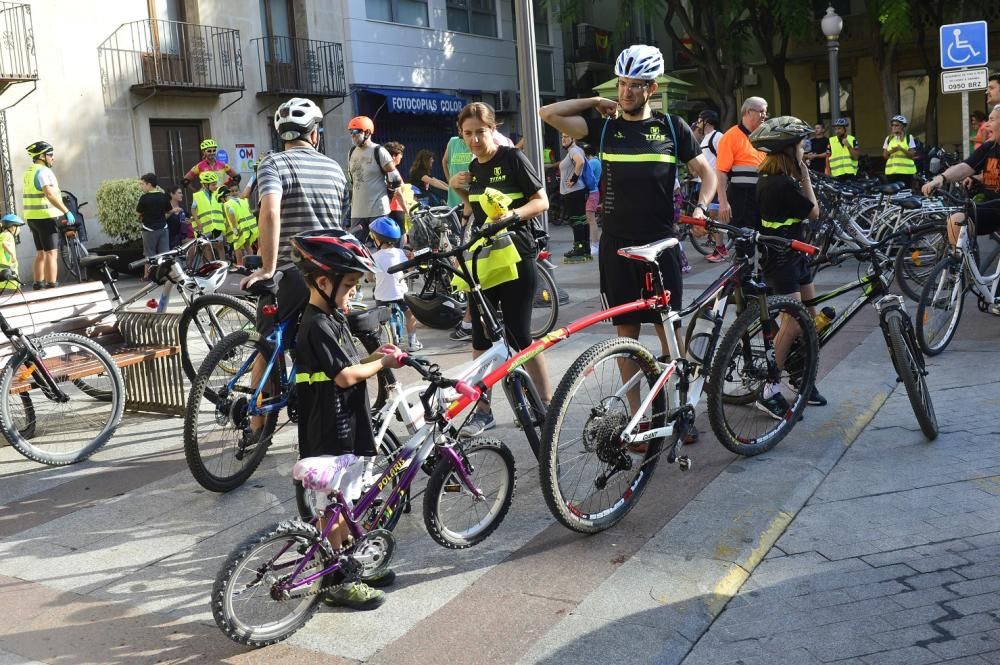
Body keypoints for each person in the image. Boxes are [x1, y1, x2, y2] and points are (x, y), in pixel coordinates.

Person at [539, 44, 717, 440]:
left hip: (662, 244)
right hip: (617, 247)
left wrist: (703, 208)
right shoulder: (605, 127)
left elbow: (707, 174)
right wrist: (594, 100)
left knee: (670, 332)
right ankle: (639, 416)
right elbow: (548, 114)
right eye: (622, 84)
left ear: (651, 88)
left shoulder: (673, 128)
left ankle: (681, 408)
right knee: (626, 336)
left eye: (635, 85)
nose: (626, 92)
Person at [289, 228, 404, 610]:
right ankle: (337, 579)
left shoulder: (332, 317)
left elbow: (351, 365)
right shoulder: (316, 325)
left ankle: (348, 563)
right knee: (333, 510)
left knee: (344, 505)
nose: (354, 291)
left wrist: (375, 357)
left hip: (343, 423)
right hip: (328, 429)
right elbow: (344, 376)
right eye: (350, 284)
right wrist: (381, 364)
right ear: (323, 281)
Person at [241, 97, 352, 437]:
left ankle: (256, 426)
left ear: (281, 136)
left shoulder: (273, 163)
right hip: (328, 275)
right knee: (325, 341)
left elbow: (269, 211)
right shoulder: (335, 169)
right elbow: (341, 225)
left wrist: (268, 267)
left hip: (291, 272)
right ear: (315, 134)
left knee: (267, 344)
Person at [448, 101, 554, 436]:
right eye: (468, 134)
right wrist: (457, 188)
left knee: (520, 336)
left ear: (493, 129)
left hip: (517, 256)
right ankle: (483, 410)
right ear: (461, 135)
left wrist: (512, 216)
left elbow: (541, 201)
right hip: (485, 261)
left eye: (481, 131)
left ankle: (547, 405)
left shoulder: (511, 158)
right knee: (480, 338)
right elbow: (473, 213)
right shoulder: (472, 169)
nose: (475, 139)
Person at [750, 116, 827, 416]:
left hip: (796, 255)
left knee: (811, 318)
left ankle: (800, 377)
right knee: (793, 323)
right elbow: (814, 212)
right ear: (788, 150)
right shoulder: (781, 183)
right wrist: (806, 176)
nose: (804, 151)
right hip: (782, 260)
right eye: (800, 146)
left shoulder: (774, 178)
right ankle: (769, 388)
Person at [922, 104, 1000, 258]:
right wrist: (941, 178)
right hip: (993, 209)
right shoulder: (990, 147)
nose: (986, 126)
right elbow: (965, 166)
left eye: (992, 120)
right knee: (956, 221)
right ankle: (963, 271)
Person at [22, 141, 72, 290]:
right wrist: (66, 211)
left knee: (40, 253)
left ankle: (38, 284)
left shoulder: (29, 171)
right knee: (51, 253)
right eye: (50, 154)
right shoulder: (43, 171)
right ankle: (52, 286)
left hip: (32, 218)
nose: (53, 158)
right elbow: (49, 194)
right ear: (42, 156)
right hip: (46, 216)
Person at [369, 216, 422, 351]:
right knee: (411, 315)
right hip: (400, 294)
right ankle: (412, 342)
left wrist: (372, 278)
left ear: (377, 239)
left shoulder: (373, 257)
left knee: (380, 320)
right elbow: (410, 269)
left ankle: (383, 341)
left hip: (382, 296)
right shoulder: (400, 253)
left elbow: (370, 277)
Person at [717, 97, 767, 233]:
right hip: (742, 198)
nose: (765, 116)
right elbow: (721, 172)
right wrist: (723, 203)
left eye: (765, 112)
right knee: (744, 243)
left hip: (762, 196)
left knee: (766, 243)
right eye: (761, 112)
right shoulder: (731, 136)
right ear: (749, 112)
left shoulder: (763, 136)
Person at [347, 116, 401, 239]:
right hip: (357, 210)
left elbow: (395, 178)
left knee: (383, 244)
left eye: (356, 132)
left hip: (378, 210)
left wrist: (390, 194)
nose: (352, 136)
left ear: (367, 132)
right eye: (351, 132)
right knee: (355, 248)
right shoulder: (351, 152)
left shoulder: (378, 151)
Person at [696, 110, 727, 263]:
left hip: (717, 183)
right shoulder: (705, 138)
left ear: (707, 121)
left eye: (700, 120)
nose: (698, 123)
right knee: (712, 218)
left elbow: (724, 159)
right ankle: (719, 248)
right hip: (707, 183)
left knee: (716, 217)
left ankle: (721, 250)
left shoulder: (718, 136)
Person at [559, 132, 591, 262]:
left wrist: (573, 179)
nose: (564, 139)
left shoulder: (573, 150)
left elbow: (580, 162)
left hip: (573, 191)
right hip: (577, 191)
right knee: (582, 220)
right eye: (562, 137)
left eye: (567, 136)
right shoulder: (576, 150)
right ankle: (585, 248)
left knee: (576, 220)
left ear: (573, 138)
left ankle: (579, 249)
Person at [135, 173, 171, 277]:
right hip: (163, 228)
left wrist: (143, 215)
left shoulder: (144, 198)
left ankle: (147, 275)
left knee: (149, 254)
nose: (142, 186)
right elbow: (169, 211)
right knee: (164, 253)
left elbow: (137, 213)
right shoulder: (163, 196)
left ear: (149, 184)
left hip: (148, 229)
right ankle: (165, 274)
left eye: (143, 184)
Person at [190, 171, 227, 261]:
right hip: (205, 227)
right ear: (205, 185)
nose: (215, 186)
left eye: (216, 184)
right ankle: (209, 268)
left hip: (217, 225)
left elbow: (224, 206)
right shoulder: (198, 196)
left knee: (219, 246)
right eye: (213, 185)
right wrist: (198, 222)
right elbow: (193, 209)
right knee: (207, 248)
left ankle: (223, 265)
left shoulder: (217, 193)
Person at [883, 115, 917, 186]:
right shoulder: (888, 138)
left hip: (906, 172)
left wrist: (902, 149)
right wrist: (891, 151)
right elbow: (885, 156)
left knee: (906, 193)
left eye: (897, 125)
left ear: (903, 127)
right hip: (892, 172)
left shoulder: (908, 138)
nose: (894, 127)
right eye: (892, 125)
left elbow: (912, 155)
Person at [581, 141, 602, 257]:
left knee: (591, 220)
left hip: (592, 192)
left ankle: (594, 245)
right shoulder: (596, 161)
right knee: (590, 219)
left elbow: (586, 175)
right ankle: (594, 244)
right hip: (594, 192)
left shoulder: (592, 162)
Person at [383, 141, 408, 230]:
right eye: (400, 155)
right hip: (395, 209)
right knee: (400, 240)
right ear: (394, 156)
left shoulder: (383, 170)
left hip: (387, 209)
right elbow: (398, 193)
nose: (401, 157)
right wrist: (407, 211)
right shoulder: (392, 171)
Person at [0, 213, 24, 292]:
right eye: (18, 227)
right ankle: (22, 303)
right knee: (17, 288)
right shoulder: (8, 235)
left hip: (3, 267)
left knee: (1, 287)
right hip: (9, 268)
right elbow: (4, 244)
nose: (19, 230)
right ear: (13, 227)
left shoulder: (2, 235)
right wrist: (13, 255)